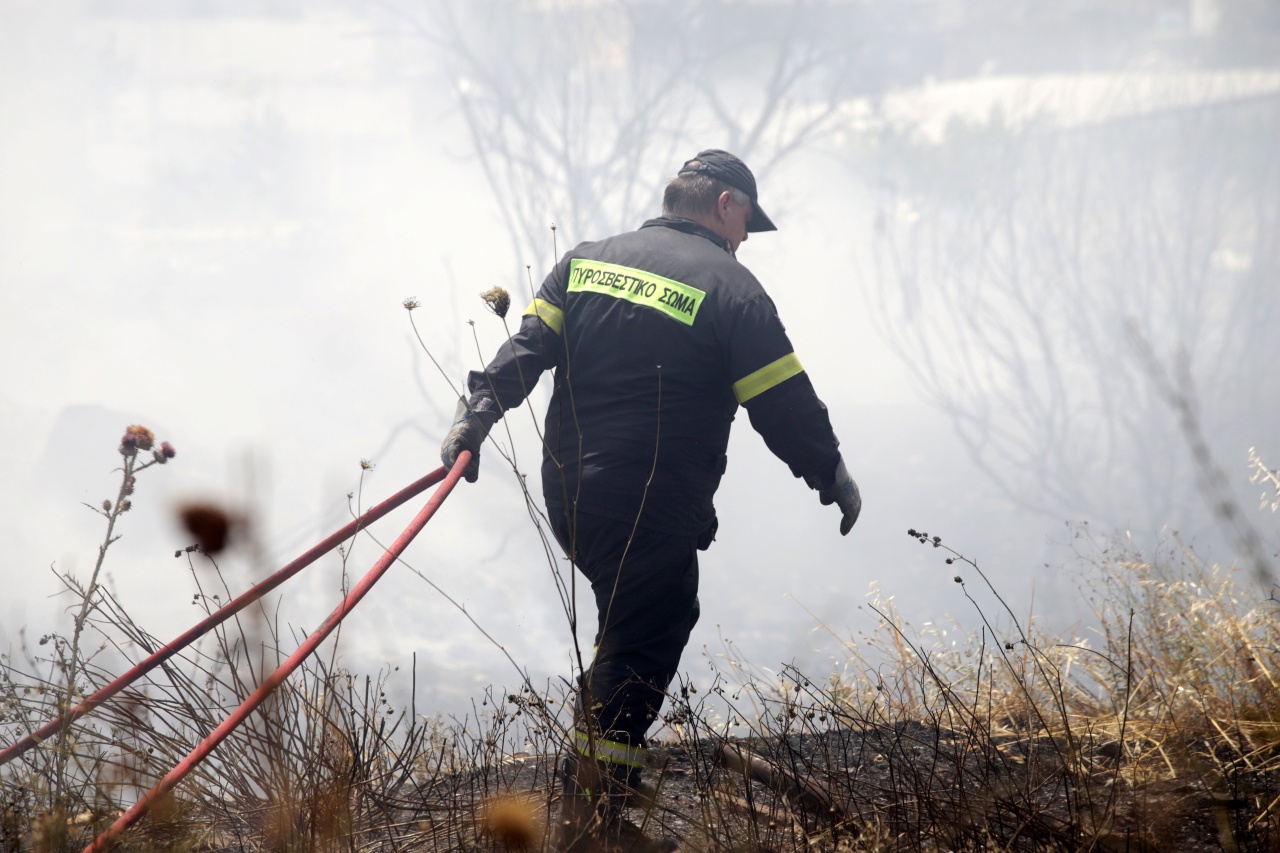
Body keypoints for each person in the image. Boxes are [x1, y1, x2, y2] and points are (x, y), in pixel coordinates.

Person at [441, 149, 860, 852]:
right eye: (747, 223)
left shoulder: (585, 260)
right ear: (726, 205)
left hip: (570, 492)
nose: (746, 239)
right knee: (649, 631)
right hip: (649, 498)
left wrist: (474, 414)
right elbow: (782, 403)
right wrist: (830, 472)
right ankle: (592, 822)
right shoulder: (733, 288)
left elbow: (527, 349)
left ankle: (596, 797)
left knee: (627, 628)